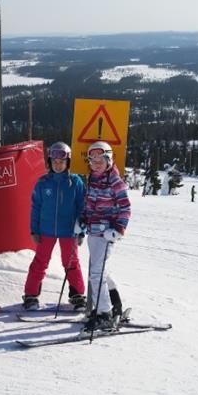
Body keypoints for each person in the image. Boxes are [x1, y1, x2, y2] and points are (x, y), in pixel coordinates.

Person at [23, 142, 87, 312]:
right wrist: (34, 230)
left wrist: (81, 230)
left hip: (69, 230)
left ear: (68, 163)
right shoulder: (43, 183)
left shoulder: (75, 182)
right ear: (50, 162)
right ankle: (31, 295)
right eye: (54, 162)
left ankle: (77, 295)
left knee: (71, 262)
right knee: (40, 261)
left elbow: (82, 207)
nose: (58, 165)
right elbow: (35, 207)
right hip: (46, 230)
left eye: (62, 162)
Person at [80, 141, 131, 332]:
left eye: (100, 159)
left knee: (96, 273)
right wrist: (82, 220)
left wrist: (118, 229)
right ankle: (115, 304)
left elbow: (125, 208)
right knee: (101, 271)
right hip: (92, 232)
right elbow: (88, 204)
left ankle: (104, 314)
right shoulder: (92, 179)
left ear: (109, 159)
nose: (96, 163)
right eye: (92, 160)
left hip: (107, 234)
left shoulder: (116, 182)